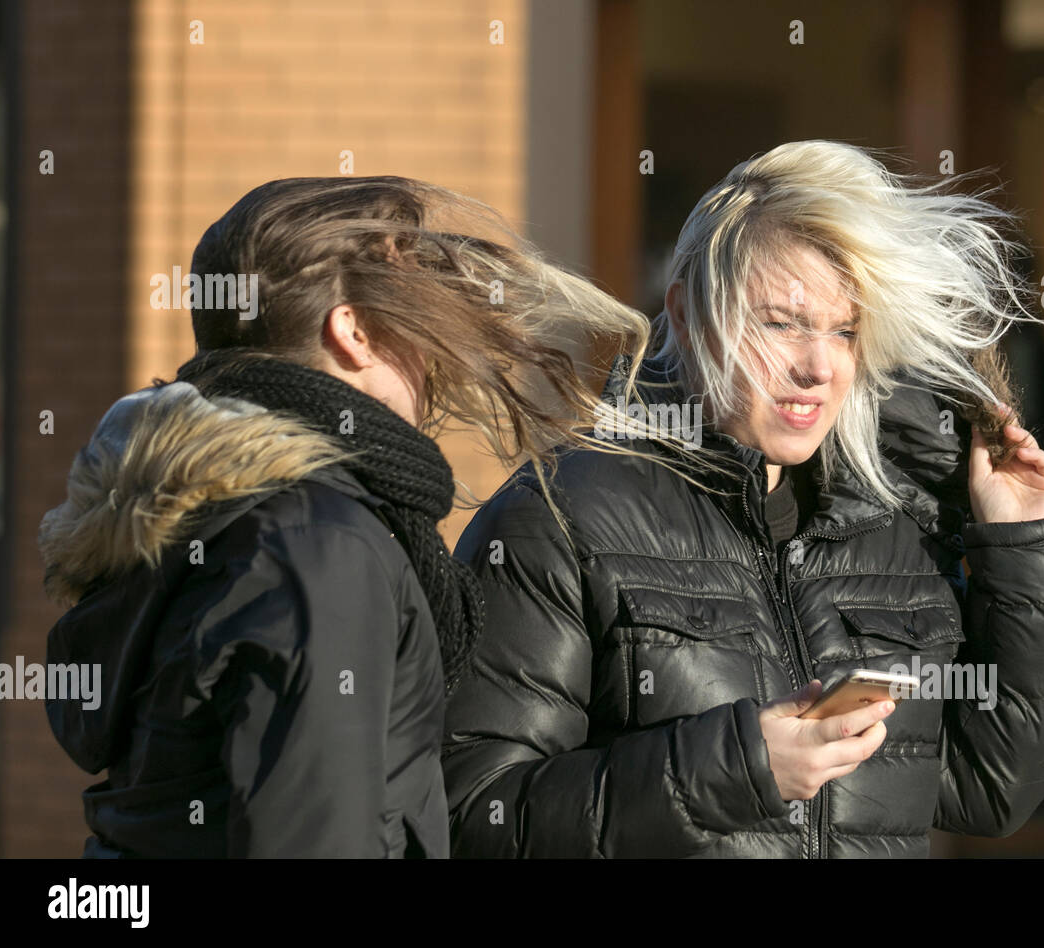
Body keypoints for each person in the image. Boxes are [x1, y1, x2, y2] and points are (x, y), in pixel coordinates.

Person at [442, 140, 1044, 858]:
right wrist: (738, 769)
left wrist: (1025, 549)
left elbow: (989, 788)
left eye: (844, 330)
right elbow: (479, 816)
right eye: (782, 323)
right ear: (688, 317)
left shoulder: (888, 520)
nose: (818, 366)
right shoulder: (561, 516)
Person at [38, 175, 651, 857]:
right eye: (414, 318)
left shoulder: (219, 510)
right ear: (353, 331)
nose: (431, 356)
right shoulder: (316, 544)